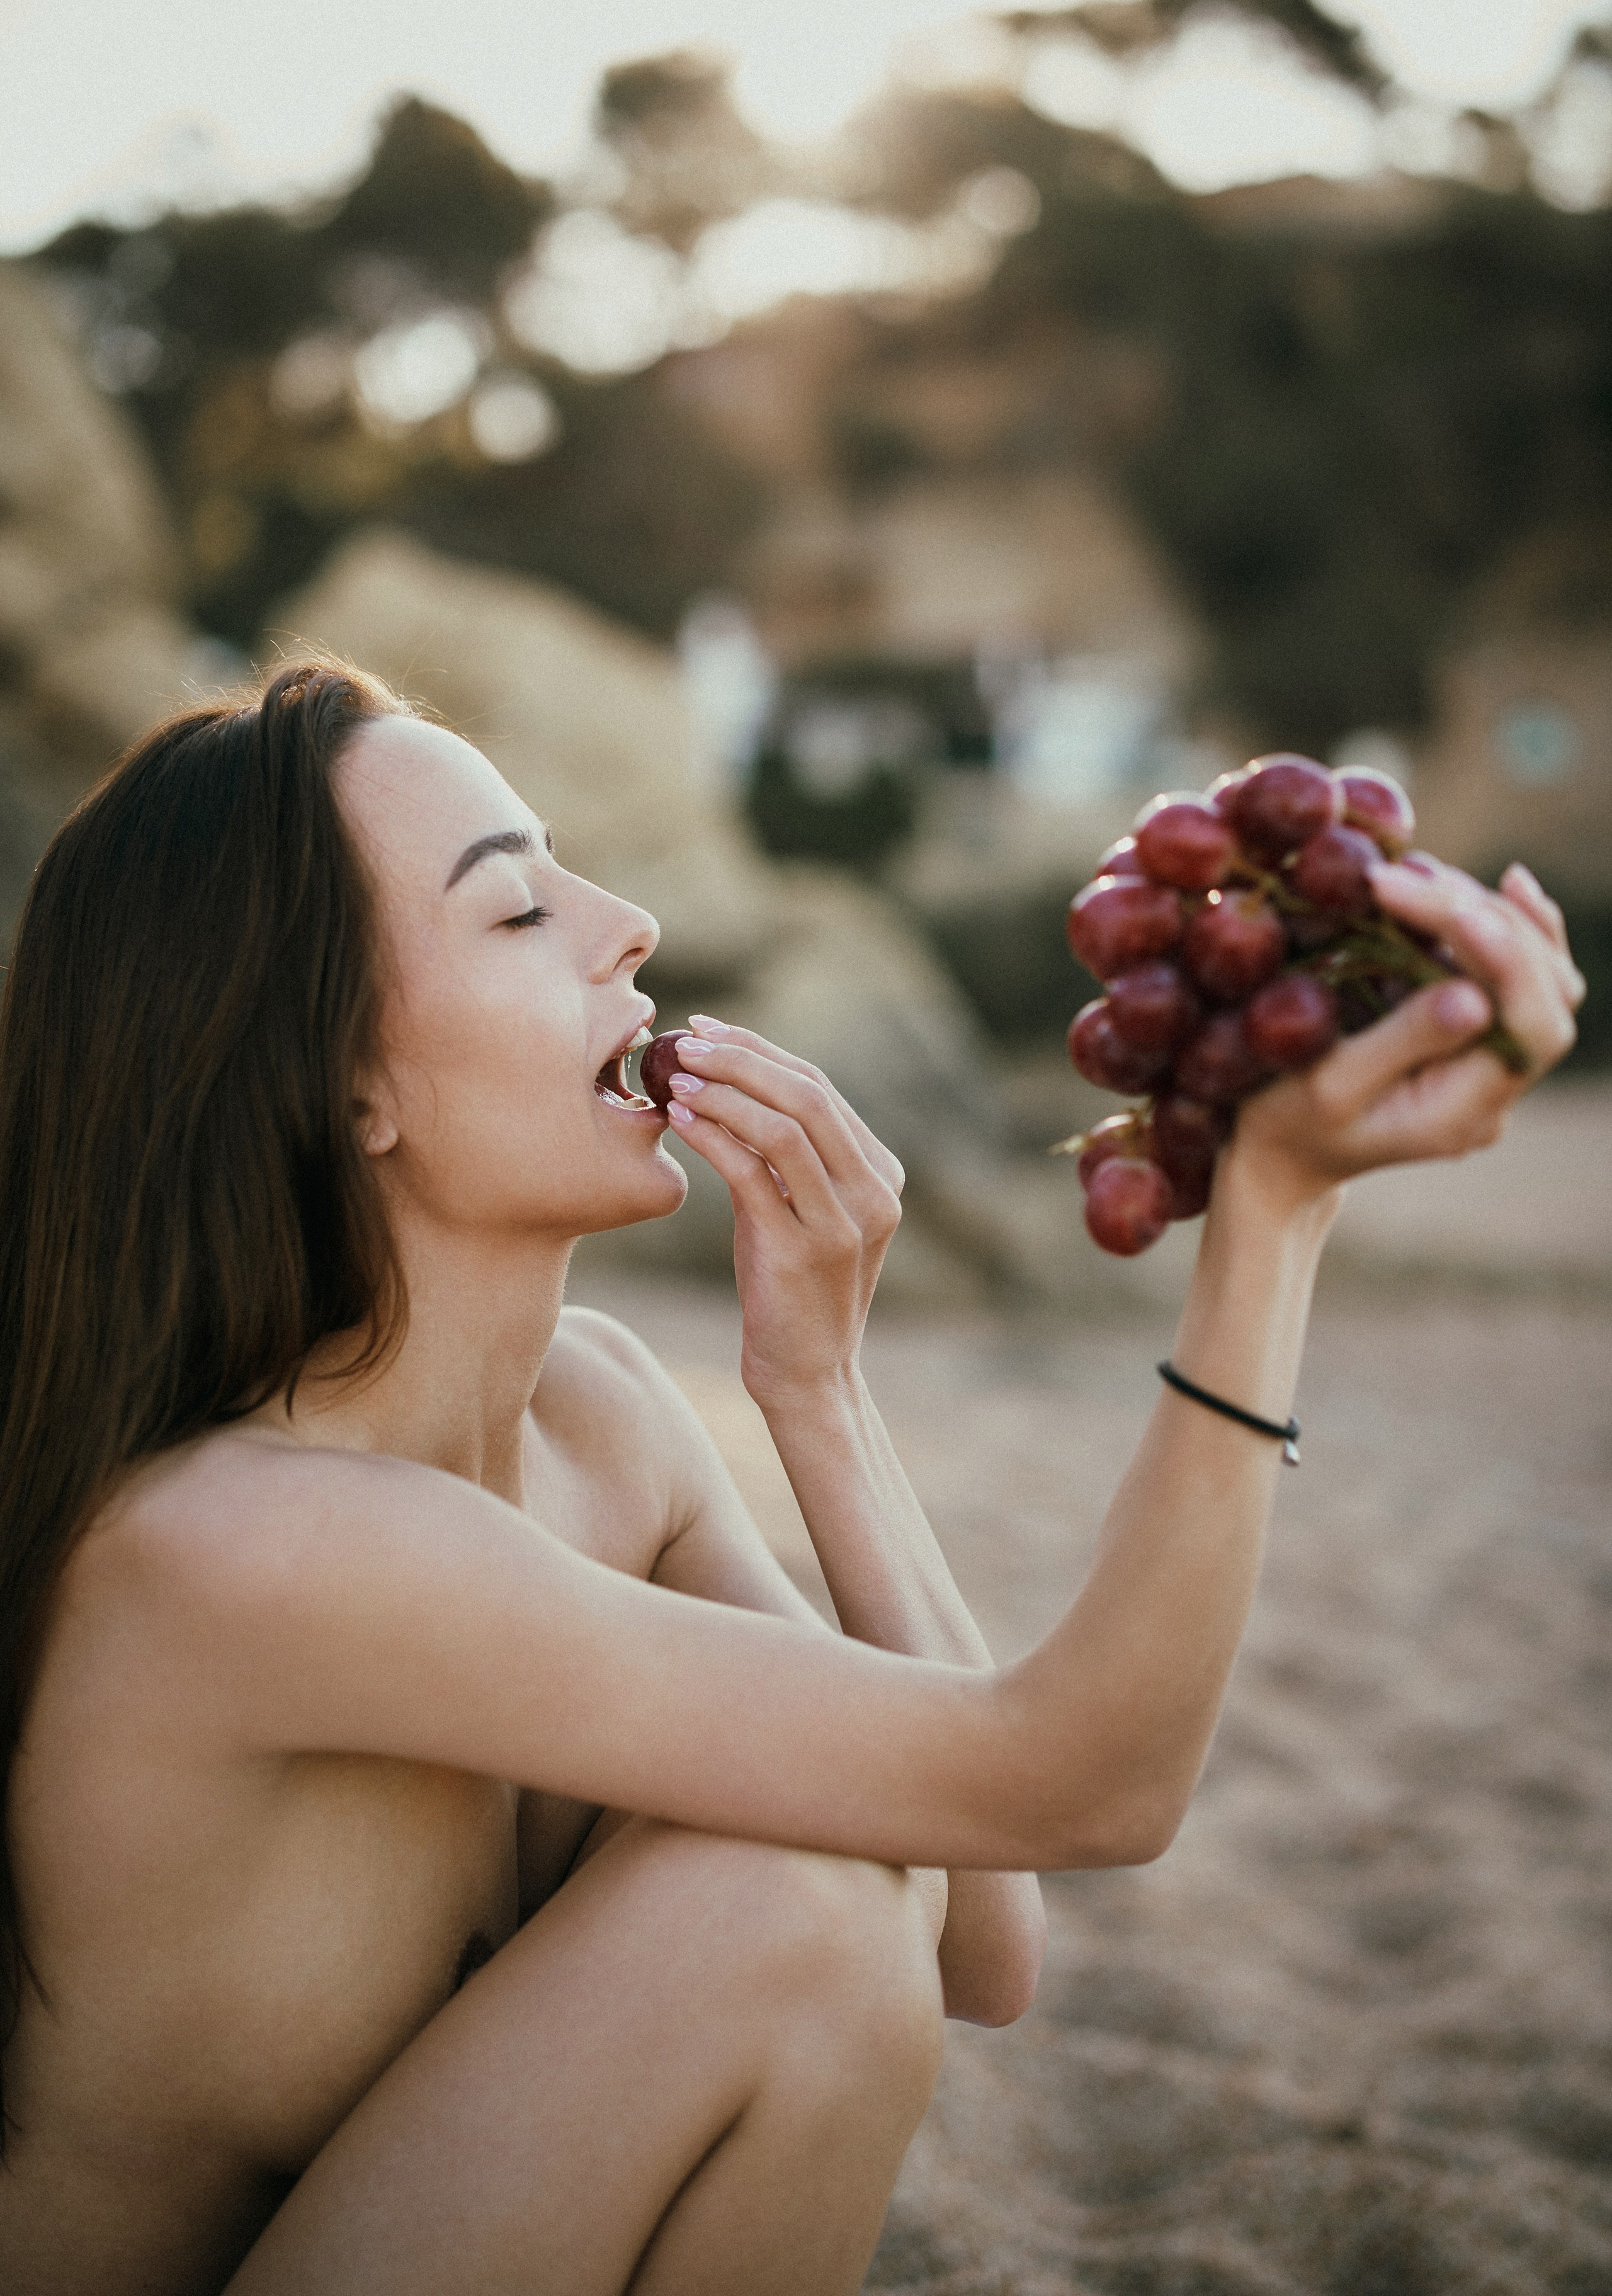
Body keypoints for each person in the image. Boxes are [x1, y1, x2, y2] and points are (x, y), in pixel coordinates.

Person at [0, 661, 1581, 2296]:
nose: (627, 925)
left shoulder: (600, 1417)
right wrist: (1272, 1223)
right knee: (791, 1912)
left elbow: (984, 1936)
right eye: (519, 913)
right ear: (344, 1085)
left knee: (823, 1903)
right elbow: (1084, 1784)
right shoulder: (248, 1543)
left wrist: (817, 1390)